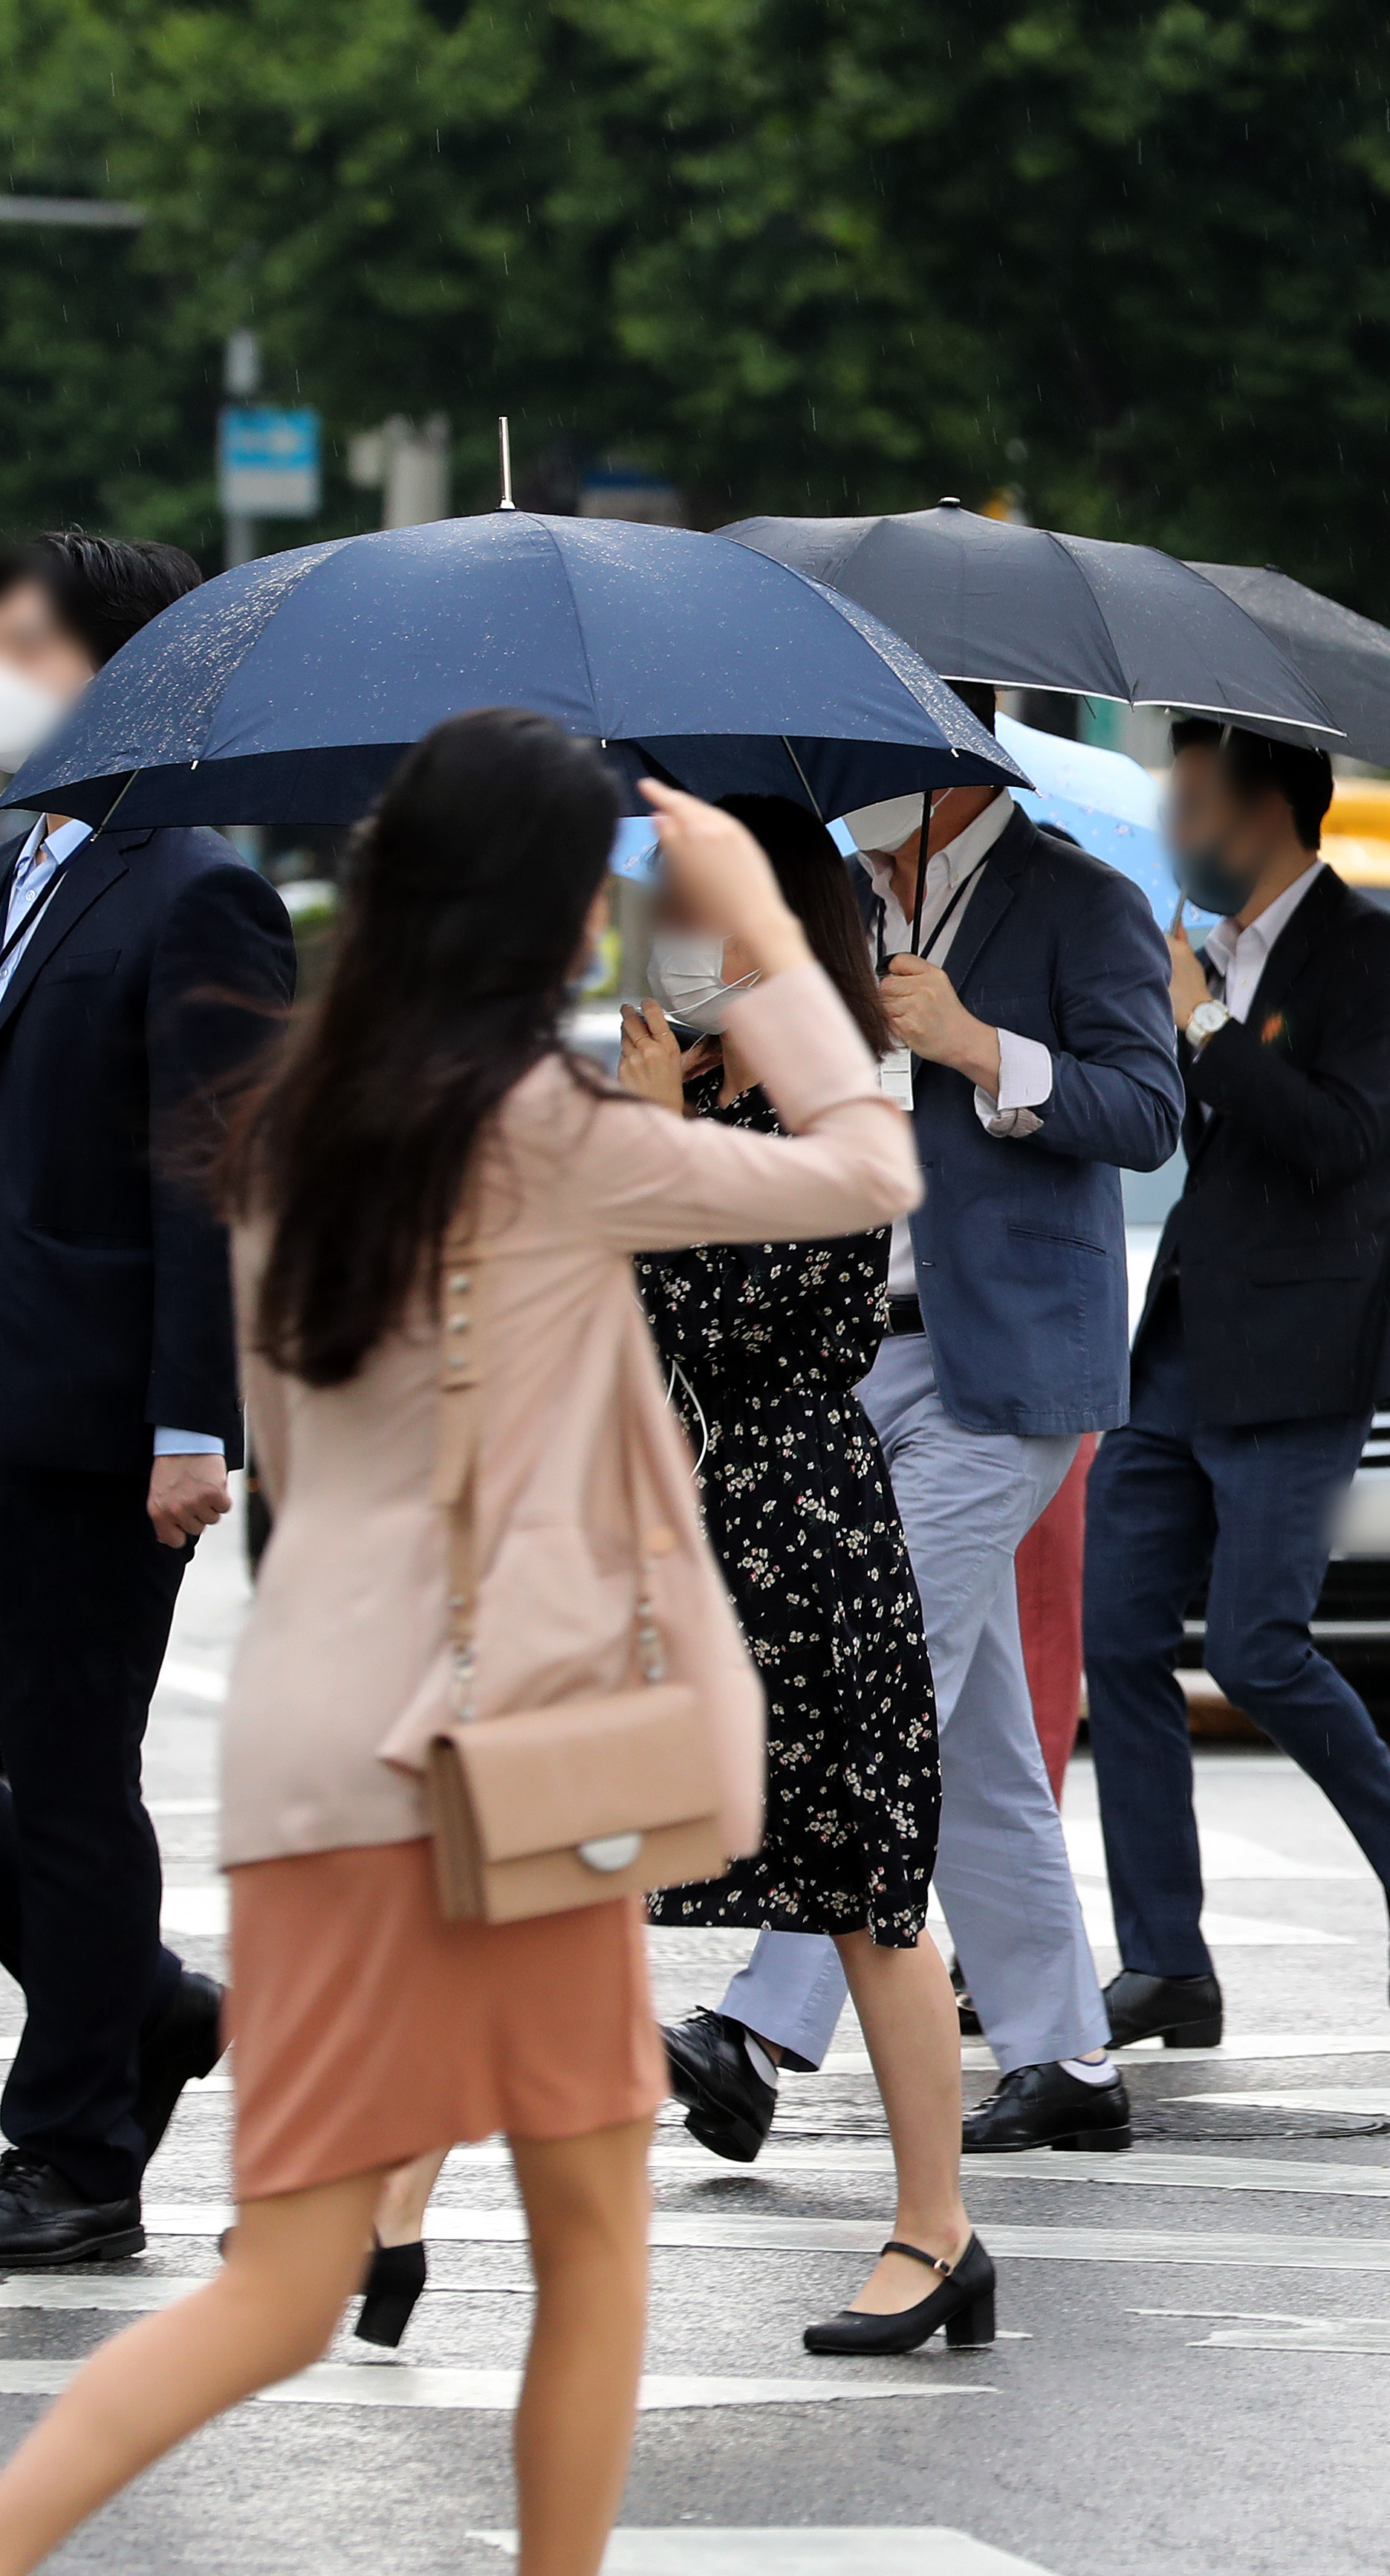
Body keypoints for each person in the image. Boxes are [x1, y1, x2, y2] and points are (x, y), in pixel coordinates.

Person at [0, 722, 918, 2576]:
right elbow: (867, 1165)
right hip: (518, 1771)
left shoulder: (293, 1129)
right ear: (557, 911)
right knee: (591, 2254)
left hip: (316, 1758)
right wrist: (750, 934)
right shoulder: (551, 1139)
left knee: (278, 2288)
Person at [663, 682, 1185, 2161]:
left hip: (1002, 1360)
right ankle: (1065, 2052)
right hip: (852, 1356)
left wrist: (976, 1045)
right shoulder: (835, 892)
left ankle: (760, 2026)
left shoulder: (1079, 901)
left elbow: (1146, 1113)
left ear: (947, 759)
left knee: (866, 1673)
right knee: (966, 1724)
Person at [618, 794, 975, 2350]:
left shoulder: (844, 1109)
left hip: (798, 1534)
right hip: (682, 1530)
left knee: (862, 1895)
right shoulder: (686, 1090)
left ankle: (936, 2232)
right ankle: (381, 2208)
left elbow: (738, 1317)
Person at [1084, 719, 1390, 2036]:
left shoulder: (1372, 956)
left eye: (1189, 799)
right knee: (1117, 1640)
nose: (1172, 826)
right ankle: (1166, 1960)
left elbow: (1341, 1146)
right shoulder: (1199, 954)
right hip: (1183, 1345)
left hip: (1305, 1356)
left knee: (1254, 1645)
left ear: (1262, 812)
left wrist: (1206, 1026)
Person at [0, 531, 285, 2266]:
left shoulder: (198, 889)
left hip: (102, 1427)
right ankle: (153, 2003)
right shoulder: (21, 864)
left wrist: (199, 1424)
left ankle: (78, 2150)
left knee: (68, 1775)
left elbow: (214, 1176)